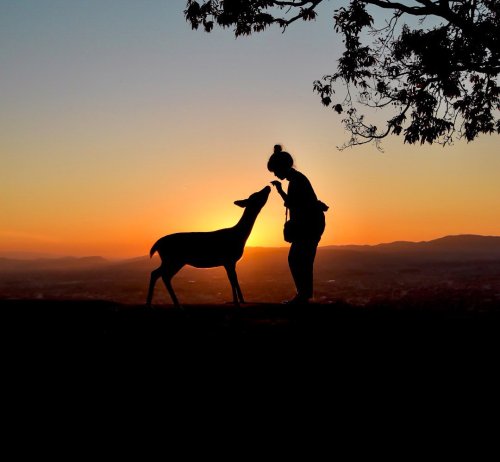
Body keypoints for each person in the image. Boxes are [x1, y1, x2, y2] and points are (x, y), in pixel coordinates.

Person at [268, 144, 328, 304]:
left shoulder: (297, 181)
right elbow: (294, 202)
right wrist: (281, 190)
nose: (275, 173)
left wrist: (281, 192)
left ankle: (303, 296)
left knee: (298, 259)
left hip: (309, 225)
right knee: (301, 259)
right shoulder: (296, 179)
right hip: (310, 224)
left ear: (282, 167)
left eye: (275, 170)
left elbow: (295, 204)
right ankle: (304, 295)